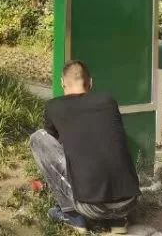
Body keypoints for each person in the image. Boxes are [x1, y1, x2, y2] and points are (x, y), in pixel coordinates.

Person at [30, 60, 140, 234]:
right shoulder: (108, 101)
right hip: (128, 202)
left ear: (62, 83)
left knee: (38, 138)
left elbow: (54, 142)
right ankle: (117, 221)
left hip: (91, 207)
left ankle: (73, 216)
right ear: (91, 83)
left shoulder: (54, 106)